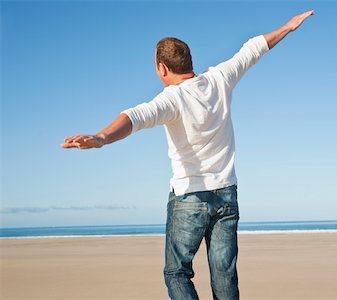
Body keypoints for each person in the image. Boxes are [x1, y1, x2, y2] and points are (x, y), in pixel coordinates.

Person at [61, 10, 314, 300]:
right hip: (226, 196)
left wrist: (102, 137)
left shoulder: (173, 97)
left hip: (189, 198)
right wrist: (288, 27)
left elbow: (137, 116)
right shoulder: (220, 78)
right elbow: (253, 50)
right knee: (224, 274)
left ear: (162, 69)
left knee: (176, 273)